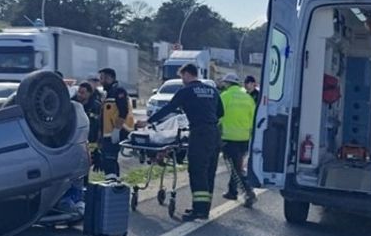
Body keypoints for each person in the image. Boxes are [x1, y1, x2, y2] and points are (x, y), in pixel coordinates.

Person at [146, 63, 224, 220]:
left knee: (197, 170)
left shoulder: (186, 91)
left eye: (182, 77)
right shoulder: (212, 90)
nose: (182, 80)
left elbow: (169, 108)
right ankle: (204, 209)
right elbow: (221, 112)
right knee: (209, 171)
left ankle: (199, 211)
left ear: (188, 74)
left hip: (200, 133)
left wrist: (149, 121)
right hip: (214, 133)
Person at [219, 72, 258, 206]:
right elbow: (254, 118)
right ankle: (232, 191)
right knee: (237, 166)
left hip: (230, 138)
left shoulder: (225, 96)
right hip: (245, 138)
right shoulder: (248, 98)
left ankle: (248, 193)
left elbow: (219, 116)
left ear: (228, 83)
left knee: (235, 168)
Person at [97, 68, 133, 178]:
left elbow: (123, 111)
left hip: (116, 131)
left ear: (110, 78)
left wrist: (117, 130)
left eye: (103, 78)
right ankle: (113, 184)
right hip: (108, 133)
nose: (101, 81)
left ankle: (112, 185)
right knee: (108, 160)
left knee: (110, 160)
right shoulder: (108, 93)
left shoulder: (118, 91)